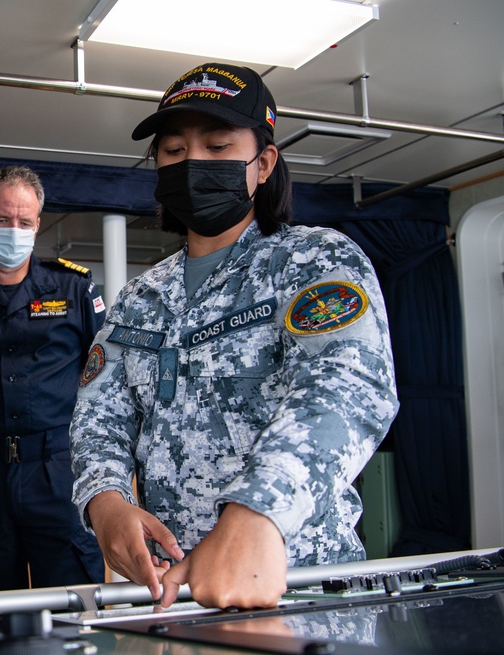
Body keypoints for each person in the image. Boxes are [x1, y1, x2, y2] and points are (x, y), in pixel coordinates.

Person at [70, 63, 399, 610]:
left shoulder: (315, 261)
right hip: (172, 590)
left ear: (263, 162)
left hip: (300, 585)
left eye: (218, 146)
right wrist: (105, 504)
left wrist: (258, 512)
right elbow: (98, 417)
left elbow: (347, 390)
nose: (194, 162)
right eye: (174, 152)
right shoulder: (139, 297)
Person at [0, 165, 107, 591]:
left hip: (59, 471)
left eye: (24, 222)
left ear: (38, 225)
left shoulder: (74, 291)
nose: (12, 230)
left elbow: (108, 380)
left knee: (75, 601)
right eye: (2, 220)